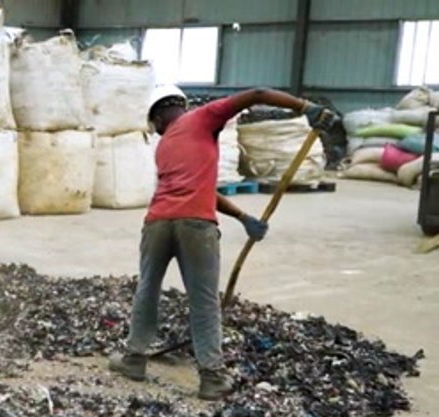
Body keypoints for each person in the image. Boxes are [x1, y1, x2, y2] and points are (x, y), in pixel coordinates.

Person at [108, 85, 338, 400]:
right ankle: (212, 378)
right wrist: (307, 108)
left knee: (147, 288)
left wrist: (242, 216)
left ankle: (134, 359)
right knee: (203, 300)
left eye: (155, 122)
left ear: (160, 114)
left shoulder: (171, 140)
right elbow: (257, 93)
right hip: (196, 227)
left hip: (157, 223)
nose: (158, 130)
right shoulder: (202, 119)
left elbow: (255, 97)